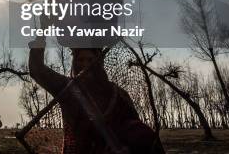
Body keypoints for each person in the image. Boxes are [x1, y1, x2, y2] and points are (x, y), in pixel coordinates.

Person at [28, 37, 165, 154]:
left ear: (99, 62)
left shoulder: (117, 94)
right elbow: (37, 69)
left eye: (89, 60)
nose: (85, 65)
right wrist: (43, 32)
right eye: (80, 60)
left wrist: (125, 146)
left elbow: (134, 127)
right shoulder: (67, 89)